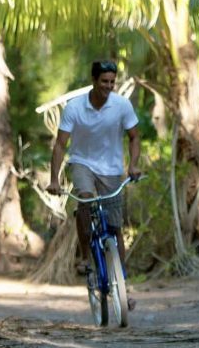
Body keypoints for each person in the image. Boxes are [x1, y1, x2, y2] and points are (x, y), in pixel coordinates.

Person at [46, 60, 141, 294]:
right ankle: (86, 255)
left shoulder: (122, 106)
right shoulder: (75, 107)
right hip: (82, 163)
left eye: (112, 82)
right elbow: (60, 145)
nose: (108, 86)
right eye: (104, 81)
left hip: (112, 169)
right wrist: (55, 179)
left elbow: (134, 137)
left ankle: (123, 284)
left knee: (115, 228)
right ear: (94, 81)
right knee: (85, 198)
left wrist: (134, 165)